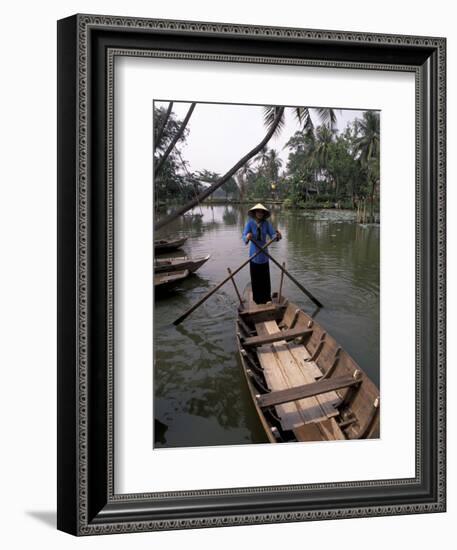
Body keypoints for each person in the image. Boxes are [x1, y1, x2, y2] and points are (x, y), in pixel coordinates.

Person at [242, 203, 282, 304]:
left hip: (264, 254)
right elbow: (243, 236)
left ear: (264, 213)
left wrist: (277, 236)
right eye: (258, 211)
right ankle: (257, 299)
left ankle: (267, 299)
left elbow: (272, 234)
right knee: (255, 278)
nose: (260, 213)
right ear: (255, 213)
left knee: (265, 278)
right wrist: (247, 237)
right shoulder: (250, 223)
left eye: (262, 212)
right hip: (254, 254)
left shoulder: (266, 224)